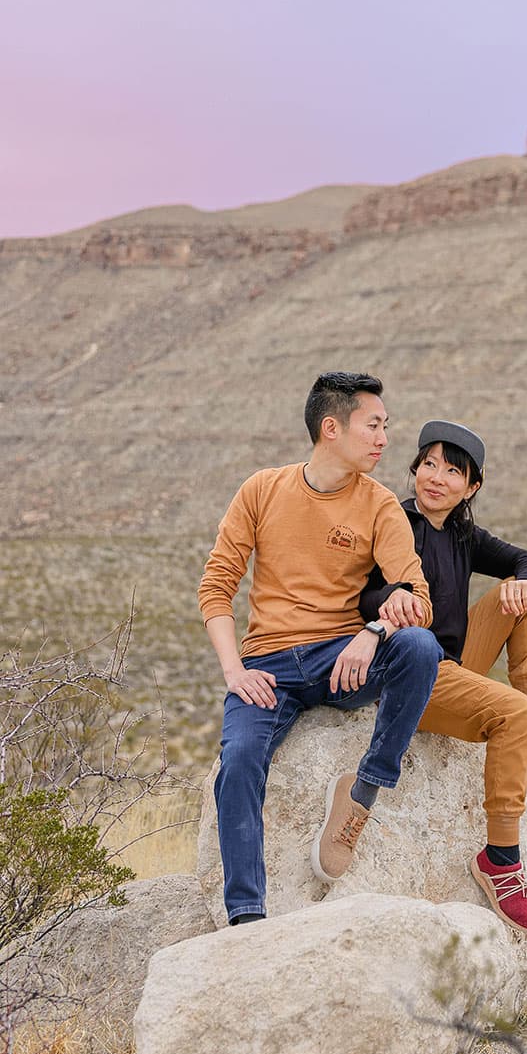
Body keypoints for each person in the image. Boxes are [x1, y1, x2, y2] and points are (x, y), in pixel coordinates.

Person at [197, 371, 441, 925]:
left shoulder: (379, 504)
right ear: (331, 428)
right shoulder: (262, 489)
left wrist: (372, 631)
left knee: (420, 648)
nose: (384, 439)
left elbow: (417, 597)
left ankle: (366, 789)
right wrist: (234, 671)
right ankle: (246, 917)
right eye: (373, 426)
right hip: (268, 668)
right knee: (236, 763)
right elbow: (216, 585)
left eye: (386, 427)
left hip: (341, 660)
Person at [360, 419, 527, 936]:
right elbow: (361, 594)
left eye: (452, 470)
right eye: (428, 464)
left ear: (471, 487)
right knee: (512, 715)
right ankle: (500, 861)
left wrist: (521, 581)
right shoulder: (395, 522)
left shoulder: (461, 533)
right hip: (413, 675)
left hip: (454, 666)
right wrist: (389, 599)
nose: (436, 477)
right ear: (414, 470)